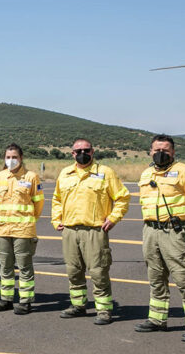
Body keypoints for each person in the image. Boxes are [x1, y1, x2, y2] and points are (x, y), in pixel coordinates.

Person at [134, 135, 185, 342]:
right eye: (157, 149)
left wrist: (182, 222)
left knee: (184, 278)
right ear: (150, 151)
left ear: (173, 152)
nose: (160, 153)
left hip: (175, 232)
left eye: (165, 150)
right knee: (155, 276)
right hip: (150, 231)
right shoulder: (147, 173)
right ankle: (157, 319)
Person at [51, 138, 130, 325]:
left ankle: (104, 309)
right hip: (70, 231)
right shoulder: (65, 173)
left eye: (86, 150)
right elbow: (56, 199)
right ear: (72, 153)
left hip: (94, 231)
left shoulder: (105, 173)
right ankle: (78, 305)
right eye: (78, 151)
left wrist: (113, 218)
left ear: (93, 152)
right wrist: (56, 219)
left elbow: (122, 198)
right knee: (73, 271)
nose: (82, 153)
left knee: (98, 272)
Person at [0, 144, 44, 315]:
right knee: (5, 266)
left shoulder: (31, 177)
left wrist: (28, 221)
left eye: (14, 157)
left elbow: (39, 203)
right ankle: (6, 299)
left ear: (21, 158)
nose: (11, 160)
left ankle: (25, 301)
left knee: (24, 267)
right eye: (8, 157)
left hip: (23, 230)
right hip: (2, 230)